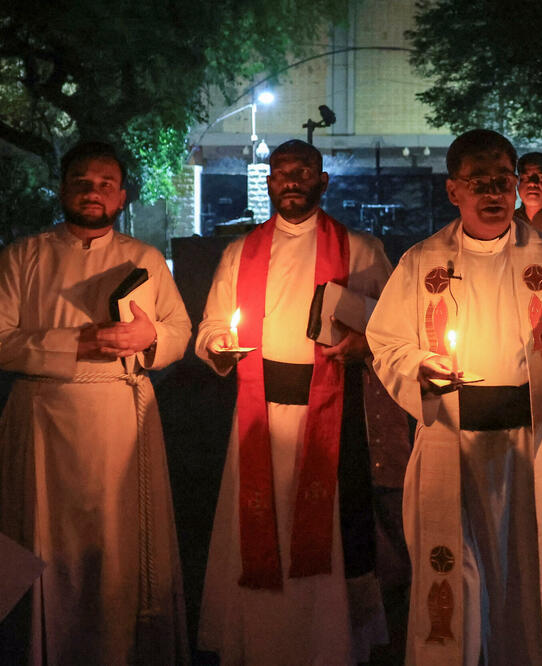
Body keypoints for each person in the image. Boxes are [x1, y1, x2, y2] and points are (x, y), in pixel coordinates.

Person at [366, 129, 542, 666]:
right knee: (454, 581)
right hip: (451, 441)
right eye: (479, 182)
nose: (494, 192)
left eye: (502, 180)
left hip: (530, 445)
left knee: (529, 581)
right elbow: (387, 342)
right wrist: (421, 367)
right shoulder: (422, 261)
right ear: (453, 190)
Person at [195, 139, 395, 664]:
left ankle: (329, 646)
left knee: (330, 534)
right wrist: (218, 344)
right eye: (281, 172)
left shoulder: (361, 248)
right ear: (269, 183)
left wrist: (365, 344)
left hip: (330, 410)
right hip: (259, 413)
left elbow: (395, 325)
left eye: (302, 171)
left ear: (322, 180)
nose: (291, 180)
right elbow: (212, 324)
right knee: (258, 531)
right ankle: (259, 643)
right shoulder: (239, 253)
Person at [0, 141, 191, 664]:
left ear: (122, 196)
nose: (93, 192)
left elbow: (179, 330)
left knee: (119, 543)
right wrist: (76, 344)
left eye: (106, 184)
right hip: (43, 420)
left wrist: (150, 337)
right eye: (82, 182)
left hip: (120, 417)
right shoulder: (22, 257)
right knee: (44, 543)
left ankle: (120, 650)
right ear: (62, 189)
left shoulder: (144, 259)